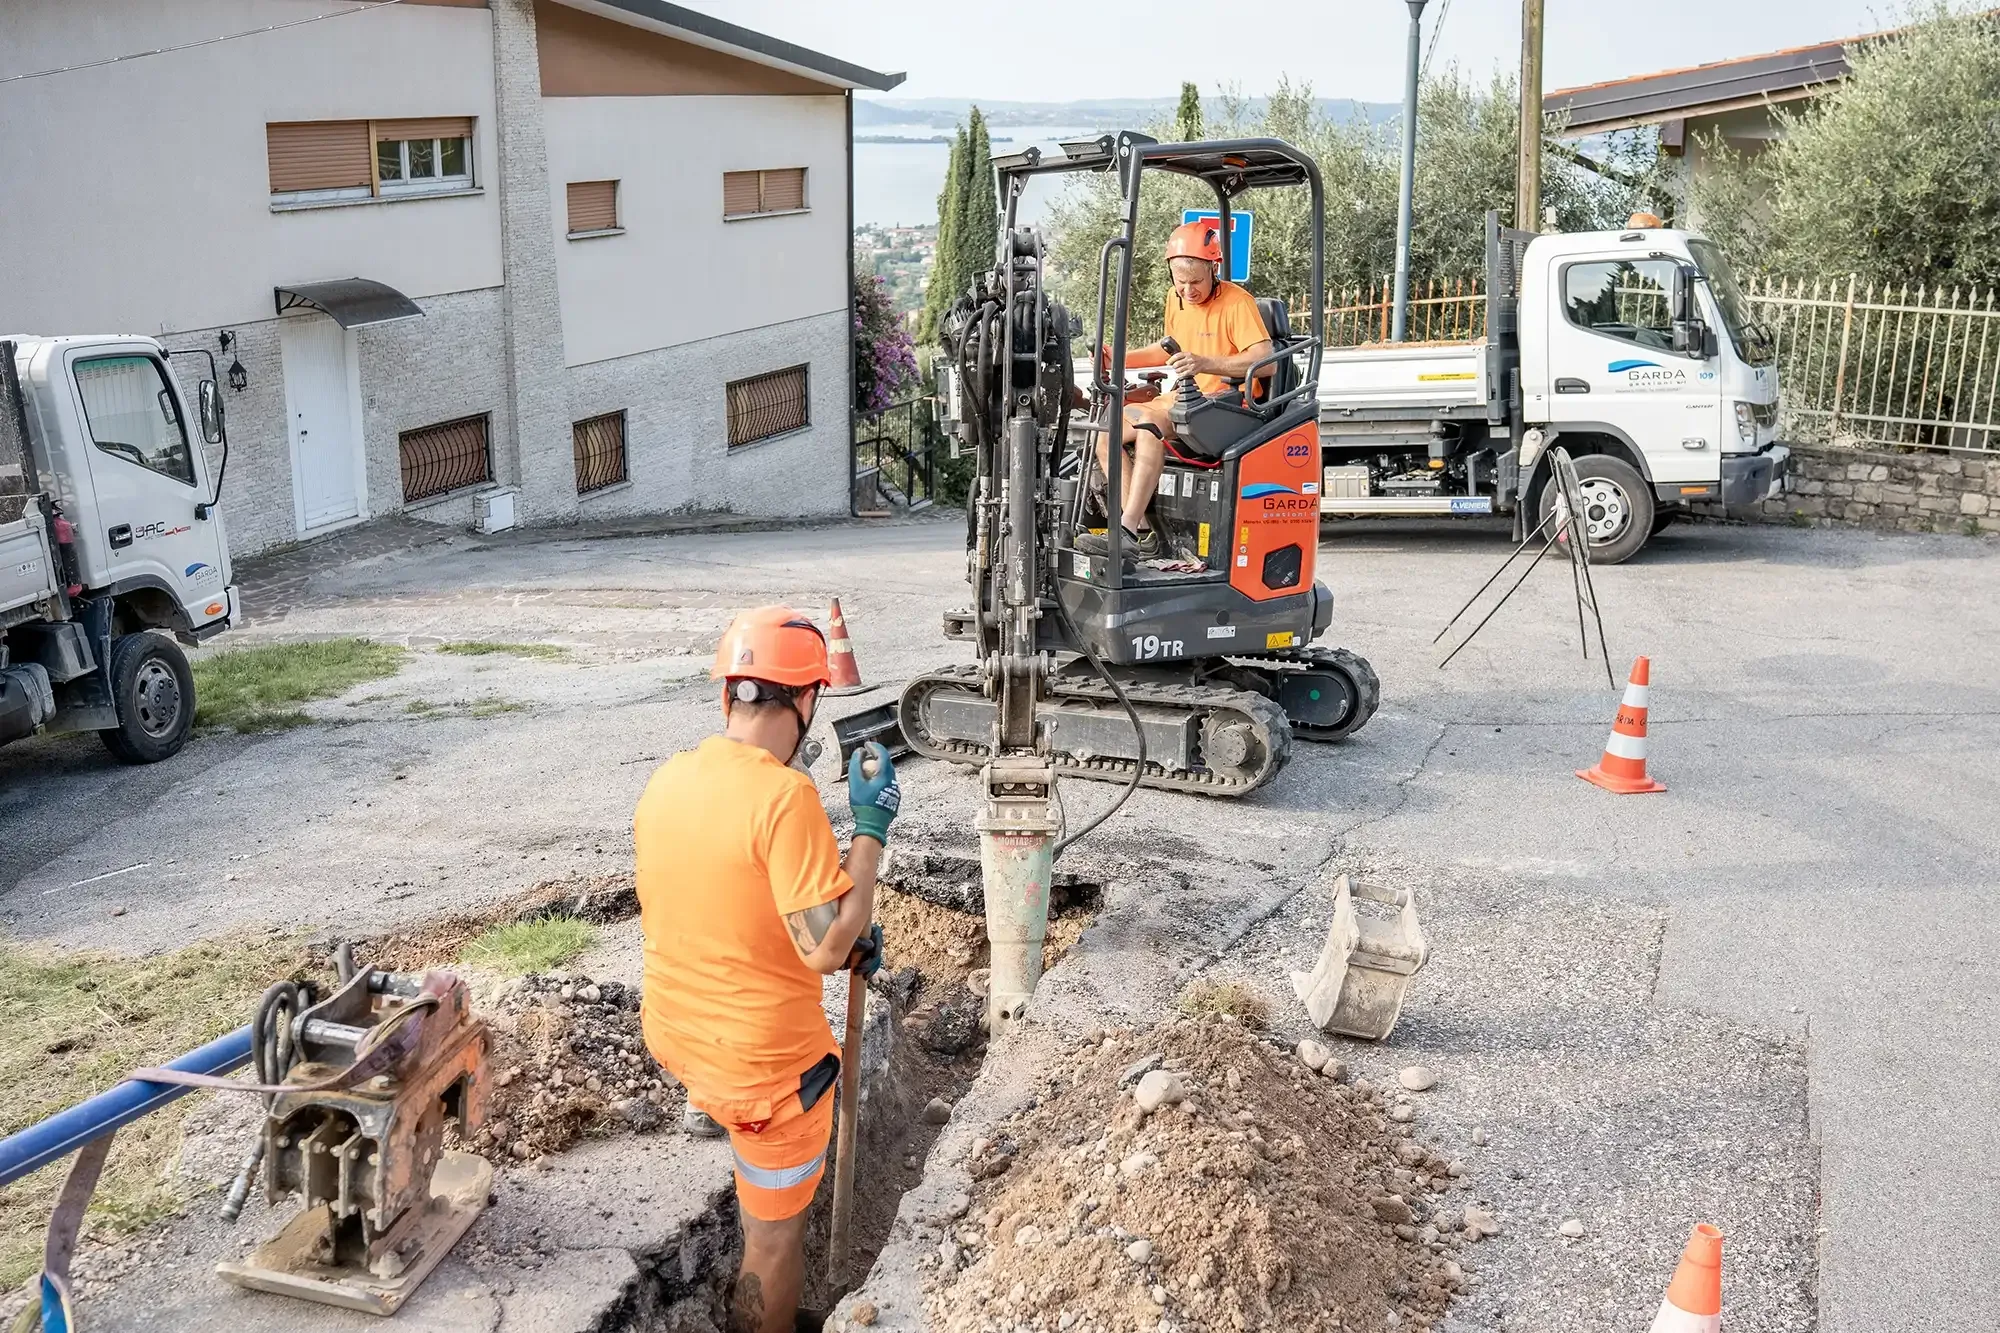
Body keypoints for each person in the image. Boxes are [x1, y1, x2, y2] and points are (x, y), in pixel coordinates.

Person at [633, 605, 902, 1333]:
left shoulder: (668, 780)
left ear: (730, 694)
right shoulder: (785, 798)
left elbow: (734, 908)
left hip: (678, 1036)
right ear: (807, 700)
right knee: (773, 1237)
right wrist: (870, 834)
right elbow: (821, 944)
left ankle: (711, 1107)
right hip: (767, 1077)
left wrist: (847, 940)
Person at [1078, 218, 1274, 561]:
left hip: (1225, 405)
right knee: (1105, 435)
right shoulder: (1177, 299)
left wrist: (1203, 363)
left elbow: (1265, 361)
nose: (1188, 290)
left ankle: (1125, 529)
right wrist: (1117, 358)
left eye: (1196, 281)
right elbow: (1168, 349)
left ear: (1214, 268)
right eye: (1180, 282)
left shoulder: (1237, 303)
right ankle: (1137, 533)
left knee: (1149, 429)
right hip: (1184, 398)